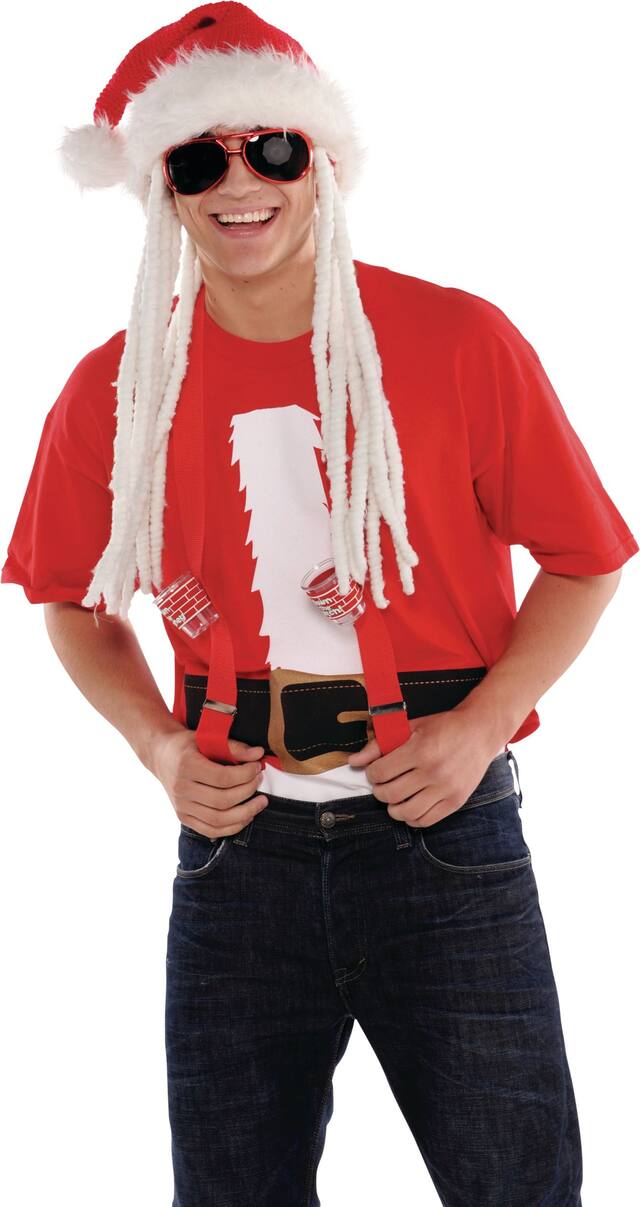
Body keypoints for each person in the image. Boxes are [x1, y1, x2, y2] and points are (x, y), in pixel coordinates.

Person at [1, 4, 637, 1204]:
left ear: (323, 162)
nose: (239, 183)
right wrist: (156, 746)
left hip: (444, 838)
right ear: (163, 190)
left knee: (517, 1184)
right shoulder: (115, 388)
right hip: (240, 855)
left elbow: (585, 558)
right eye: (199, 161)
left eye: (273, 149)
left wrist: (480, 727)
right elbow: (71, 599)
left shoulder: (457, 341)